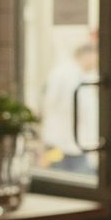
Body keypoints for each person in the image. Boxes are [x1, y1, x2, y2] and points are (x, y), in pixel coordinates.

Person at [39, 42, 98, 174]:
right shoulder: (64, 74)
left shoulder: (81, 75)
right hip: (61, 143)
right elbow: (50, 105)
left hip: (75, 144)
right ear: (87, 55)